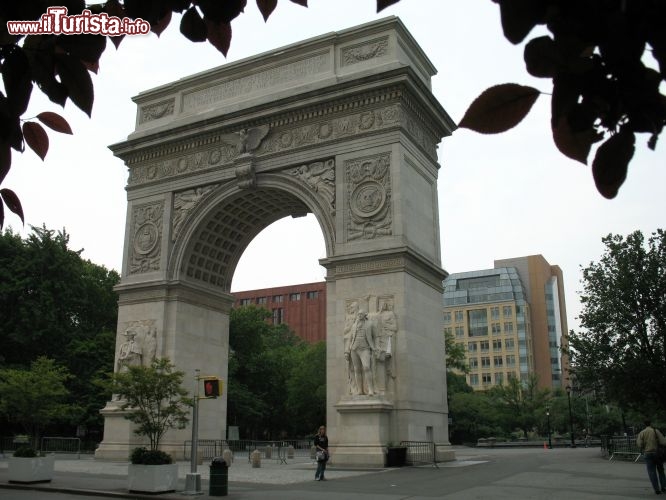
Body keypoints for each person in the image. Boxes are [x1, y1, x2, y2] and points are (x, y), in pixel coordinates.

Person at [345, 309, 377, 396]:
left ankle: (370, 389)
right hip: (354, 349)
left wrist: (375, 348)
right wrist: (347, 351)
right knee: (356, 369)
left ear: (364, 315)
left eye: (361, 314)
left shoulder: (369, 324)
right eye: (358, 314)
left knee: (366, 367)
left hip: (365, 348)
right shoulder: (354, 325)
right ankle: (360, 390)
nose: (359, 315)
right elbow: (350, 339)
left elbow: (375, 337)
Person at [636, 419, 666, 494]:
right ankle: (664, 487)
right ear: (651, 424)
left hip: (648, 453)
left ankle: (657, 489)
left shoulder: (642, 433)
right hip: (657, 454)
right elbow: (663, 442)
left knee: (651, 472)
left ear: (644, 424)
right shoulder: (656, 431)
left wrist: (645, 446)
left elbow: (639, 444)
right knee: (661, 470)